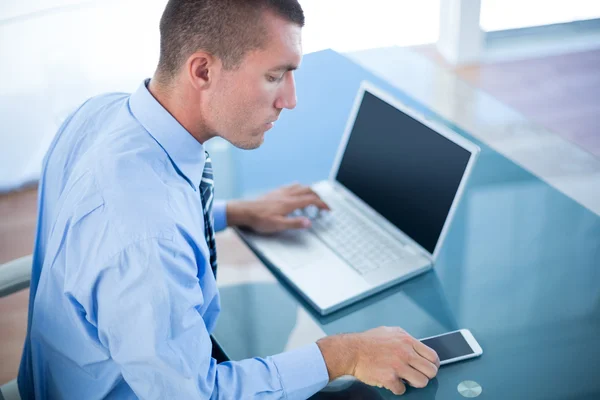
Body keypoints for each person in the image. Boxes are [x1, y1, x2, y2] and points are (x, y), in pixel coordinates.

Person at [18, 0, 440, 398]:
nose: (290, 100)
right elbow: (201, 394)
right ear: (202, 71)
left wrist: (233, 213)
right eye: (275, 76)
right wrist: (345, 354)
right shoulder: (146, 240)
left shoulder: (101, 113)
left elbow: (118, 232)